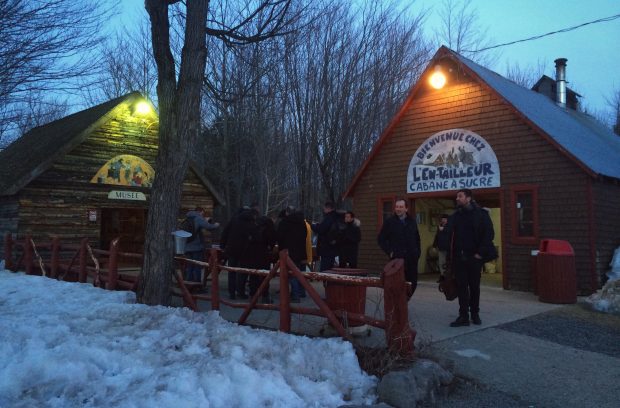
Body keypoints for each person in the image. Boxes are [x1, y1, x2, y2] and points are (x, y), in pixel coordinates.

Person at [448, 189, 496, 327]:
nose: (457, 198)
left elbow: (489, 235)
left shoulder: (481, 214)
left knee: (474, 287)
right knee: (462, 287)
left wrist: (480, 253)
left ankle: (475, 314)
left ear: (468, 198)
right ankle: (463, 316)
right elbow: (450, 235)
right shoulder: (456, 215)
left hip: (474, 258)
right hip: (459, 258)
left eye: (460, 196)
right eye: (457, 196)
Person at [377, 199, 421, 299]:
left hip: (411, 258)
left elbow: (417, 238)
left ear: (406, 208)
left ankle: (405, 301)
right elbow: (381, 239)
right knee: (397, 283)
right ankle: (399, 305)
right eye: (397, 207)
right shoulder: (390, 222)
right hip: (397, 259)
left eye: (401, 207)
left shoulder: (412, 221)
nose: (398, 209)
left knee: (412, 283)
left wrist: (417, 252)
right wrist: (390, 252)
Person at [220, 207, 255, 299]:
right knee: (242, 272)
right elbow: (254, 236)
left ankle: (232, 293)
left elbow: (225, 233)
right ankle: (241, 292)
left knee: (232, 272)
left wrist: (222, 246)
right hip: (245, 251)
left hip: (232, 249)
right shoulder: (251, 222)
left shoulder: (234, 220)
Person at [276, 206, 307, 303]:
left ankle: (295, 295)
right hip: (299, 251)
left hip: (287, 252)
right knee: (297, 272)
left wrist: (281, 249)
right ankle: (300, 292)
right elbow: (304, 236)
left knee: (290, 274)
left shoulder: (284, 223)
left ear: (287, 213)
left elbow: (279, 237)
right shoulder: (302, 223)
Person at [247, 203, 277, 303]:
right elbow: (272, 239)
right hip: (264, 253)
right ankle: (265, 295)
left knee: (253, 274)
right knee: (264, 275)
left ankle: (252, 295)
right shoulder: (269, 226)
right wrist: (270, 247)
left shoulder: (254, 225)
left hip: (253, 253)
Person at [184, 207, 220, 282]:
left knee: (189, 265)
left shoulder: (187, 218)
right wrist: (216, 225)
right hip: (196, 247)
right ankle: (197, 284)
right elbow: (208, 227)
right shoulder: (198, 218)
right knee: (197, 265)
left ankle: (189, 282)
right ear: (200, 211)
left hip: (187, 246)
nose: (203, 215)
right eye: (203, 213)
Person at [311, 201, 339, 271]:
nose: (324, 210)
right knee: (330, 268)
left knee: (325, 269)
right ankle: (328, 281)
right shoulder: (336, 217)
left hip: (327, 247)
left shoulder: (329, 218)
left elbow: (321, 229)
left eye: (324, 208)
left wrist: (313, 226)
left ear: (328, 208)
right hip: (333, 246)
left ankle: (325, 281)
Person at [433, 214, 451, 281]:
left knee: (448, 263)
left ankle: (448, 276)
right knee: (441, 262)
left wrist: (444, 229)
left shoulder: (450, 227)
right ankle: (442, 275)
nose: (443, 220)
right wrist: (434, 245)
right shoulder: (439, 227)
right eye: (442, 219)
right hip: (441, 248)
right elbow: (437, 236)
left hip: (448, 248)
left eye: (445, 219)